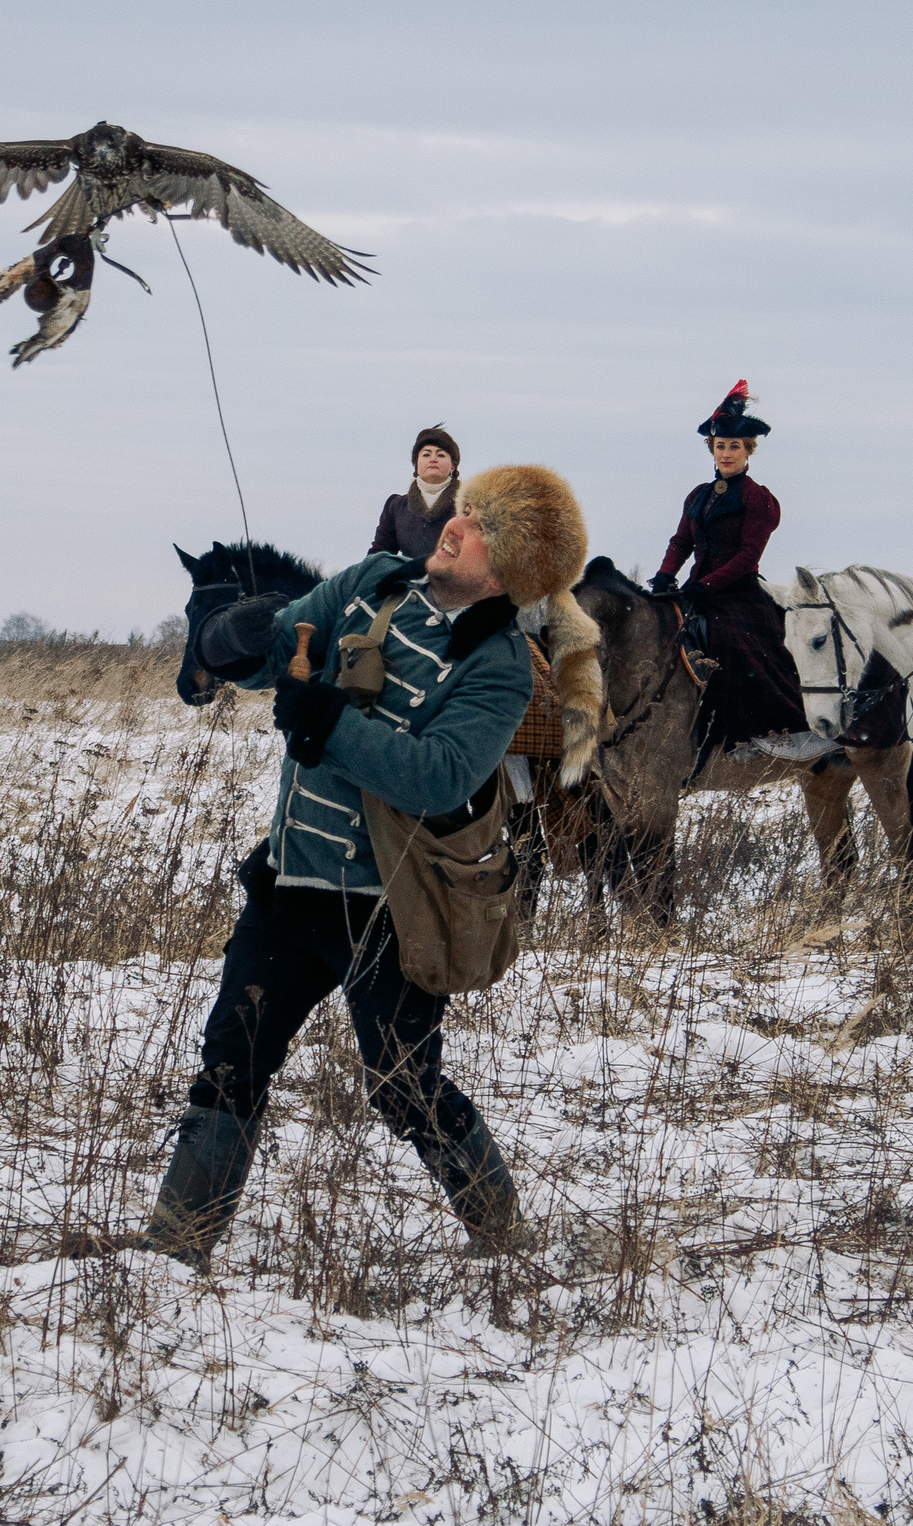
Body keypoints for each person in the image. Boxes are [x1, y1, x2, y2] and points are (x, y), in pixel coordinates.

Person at [127, 465, 587, 1271]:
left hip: (394, 911)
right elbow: (279, 648)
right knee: (232, 1057)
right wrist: (227, 641)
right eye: (465, 508)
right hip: (291, 886)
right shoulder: (375, 579)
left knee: (405, 1090)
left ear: (508, 568)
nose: (454, 521)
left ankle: (506, 1241)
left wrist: (328, 724)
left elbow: (440, 773)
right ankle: (173, 1249)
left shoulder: (503, 665)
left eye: (478, 524)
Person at [649, 383, 820, 760]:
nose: (726, 453)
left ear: (748, 451)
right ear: (712, 449)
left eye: (734, 447)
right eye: (721, 446)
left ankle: (752, 735)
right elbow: (681, 542)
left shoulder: (759, 498)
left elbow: (748, 555)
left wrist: (709, 584)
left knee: (732, 643)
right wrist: (665, 576)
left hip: (738, 595)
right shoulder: (698, 495)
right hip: (695, 591)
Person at [369, 426, 460, 559]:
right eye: (426, 454)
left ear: (453, 466)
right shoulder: (396, 506)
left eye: (441, 455)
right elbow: (380, 553)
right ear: (416, 464)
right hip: (409, 577)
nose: (433, 459)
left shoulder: (470, 506)